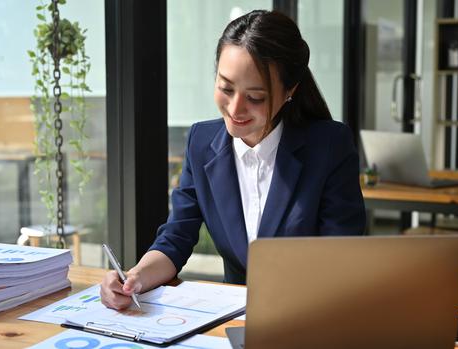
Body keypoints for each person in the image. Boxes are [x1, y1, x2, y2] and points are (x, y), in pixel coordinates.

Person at [100, 10, 366, 310]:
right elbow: (176, 238)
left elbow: (341, 258)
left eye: (256, 97)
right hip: (231, 320)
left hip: (309, 315)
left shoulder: (329, 146)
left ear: (290, 91)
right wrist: (134, 278)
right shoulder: (201, 143)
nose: (236, 108)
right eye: (226, 88)